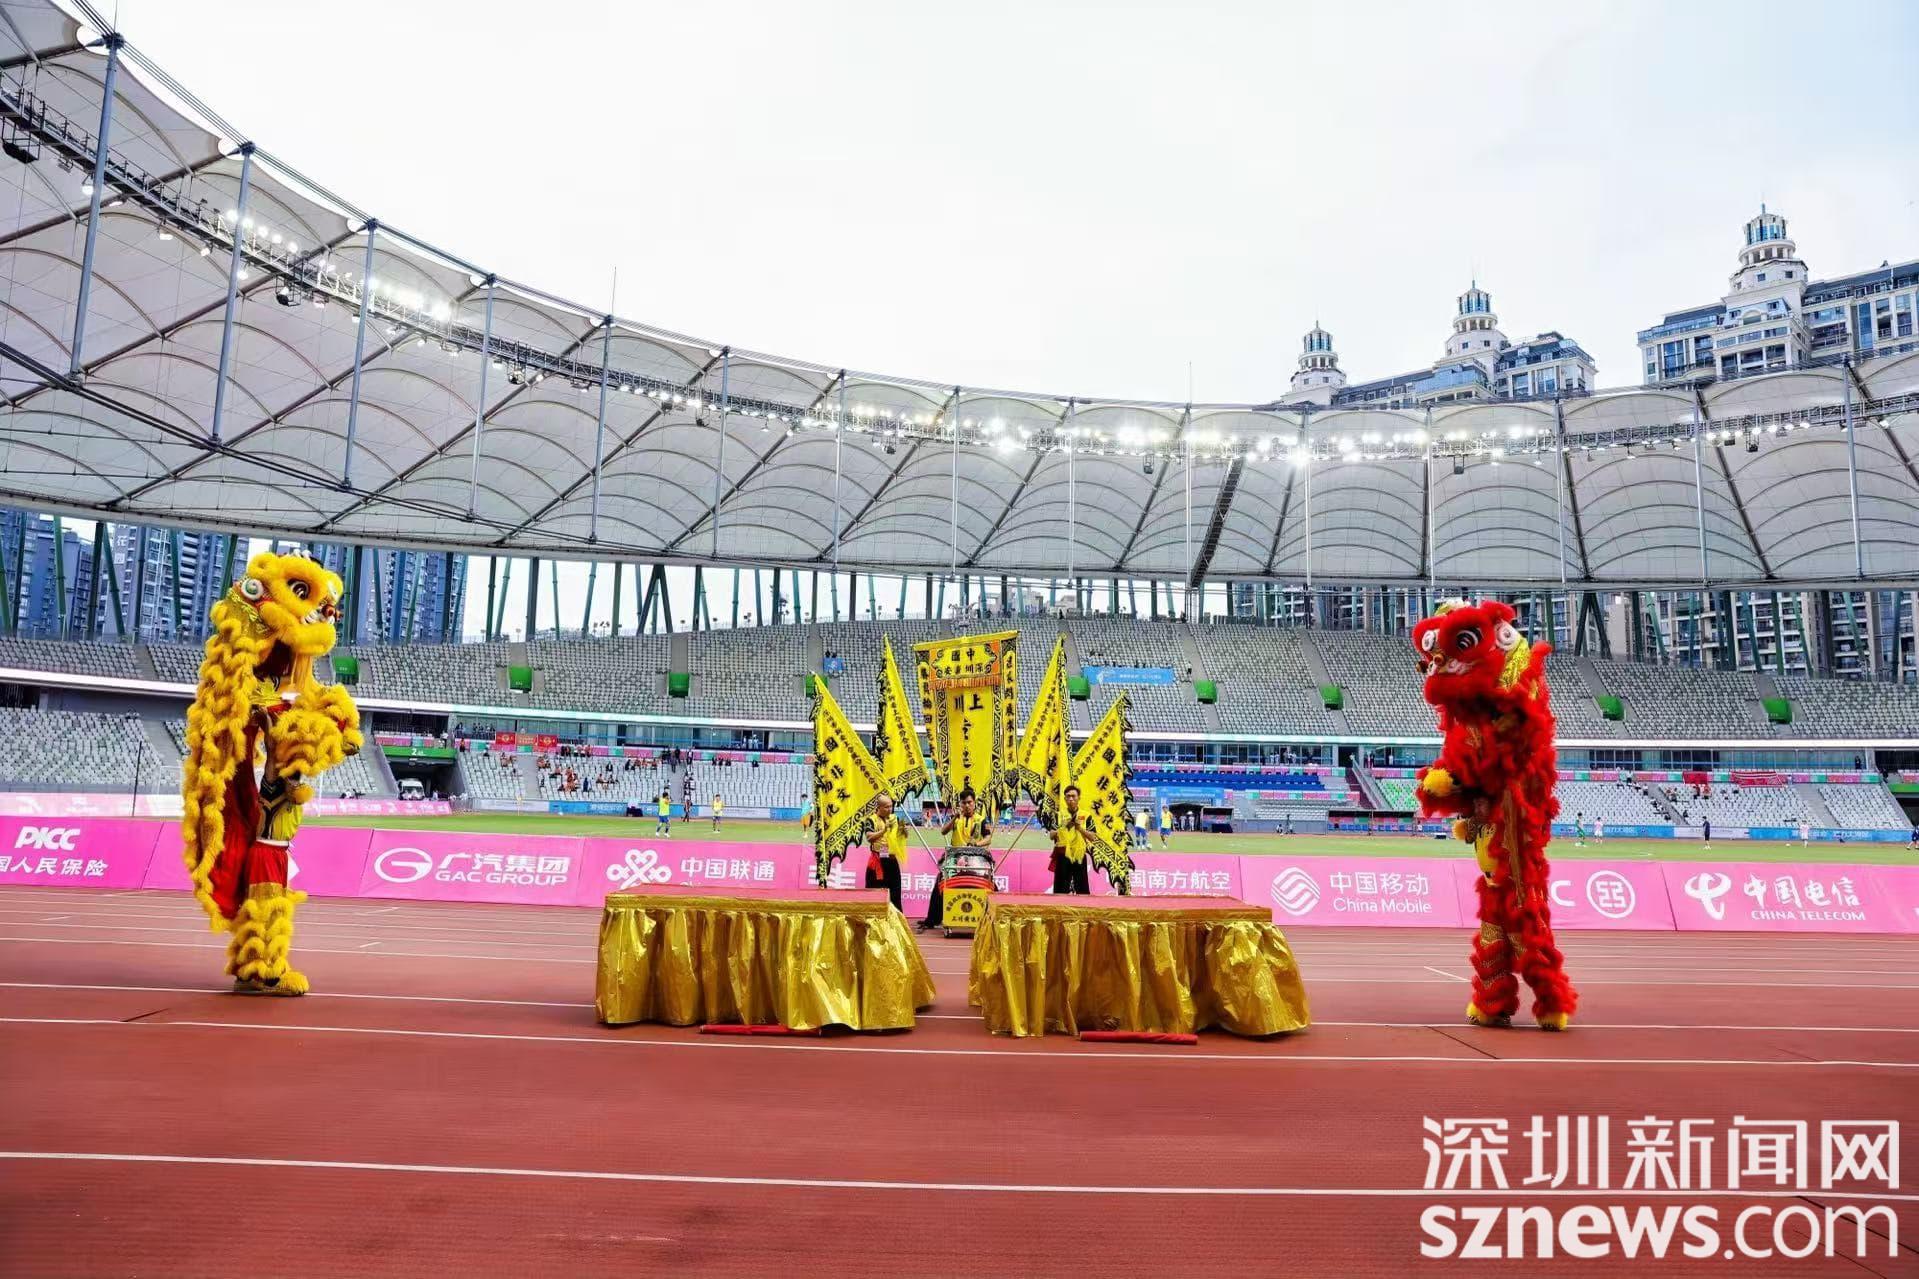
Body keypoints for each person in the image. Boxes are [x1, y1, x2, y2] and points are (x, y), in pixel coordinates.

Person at [922, 787, 990, 931]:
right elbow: (943, 831)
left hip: (976, 859)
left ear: (974, 803)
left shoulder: (981, 819)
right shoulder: (956, 818)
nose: (967, 805)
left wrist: (976, 844)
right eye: (964, 803)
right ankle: (932, 919)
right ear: (960, 804)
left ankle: (989, 918)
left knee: (990, 884)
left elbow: (988, 838)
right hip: (955, 858)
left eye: (969, 802)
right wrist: (954, 818)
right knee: (940, 882)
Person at [864, 794, 907, 910]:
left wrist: (904, 832)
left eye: (891, 806)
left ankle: (896, 917)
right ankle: (876, 917)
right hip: (878, 861)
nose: (890, 809)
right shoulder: (871, 820)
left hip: (892, 860)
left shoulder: (894, 818)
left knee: (895, 892)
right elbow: (869, 837)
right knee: (876, 891)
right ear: (879, 807)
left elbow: (900, 837)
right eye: (887, 807)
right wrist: (884, 830)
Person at [1050, 784, 1092, 895]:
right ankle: (1059, 905)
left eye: (1073, 796)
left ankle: (1083, 905)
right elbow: (1051, 835)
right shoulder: (1058, 815)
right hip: (1062, 853)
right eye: (1068, 796)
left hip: (1079, 854)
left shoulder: (1086, 815)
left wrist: (1080, 828)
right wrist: (1062, 826)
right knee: (1060, 889)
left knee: (1082, 889)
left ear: (1079, 798)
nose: (1071, 799)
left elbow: (1092, 837)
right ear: (1064, 799)